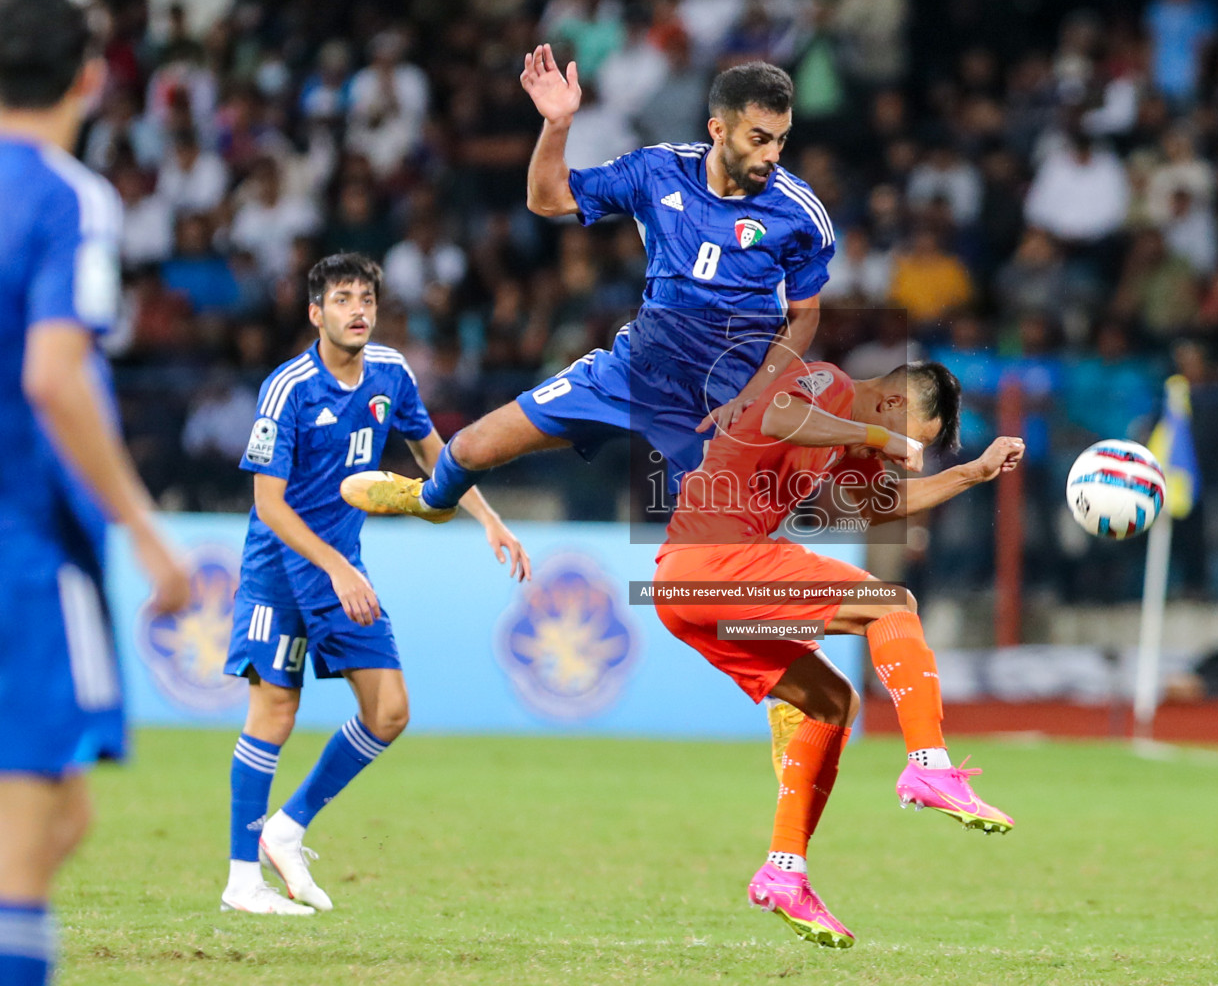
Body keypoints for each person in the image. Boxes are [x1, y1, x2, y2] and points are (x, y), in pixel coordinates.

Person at [343, 48, 831, 519]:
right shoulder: (659, 171)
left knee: (711, 563)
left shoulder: (799, 212)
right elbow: (549, 199)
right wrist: (557, 125)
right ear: (718, 130)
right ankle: (430, 503)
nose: (772, 155)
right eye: (759, 138)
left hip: (718, 399)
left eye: (781, 140)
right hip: (633, 370)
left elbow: (804, 316)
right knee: (469, 447)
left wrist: (752, 397)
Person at [653, 358, 1022, 947]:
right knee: (892, 602)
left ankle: (784, 873)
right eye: (910, 438)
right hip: (715, 560)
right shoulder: (829, 382)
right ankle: (930, 767)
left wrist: (973, 474)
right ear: (895, 403)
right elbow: (780, 413)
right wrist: (878, 437)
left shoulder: (843, 440)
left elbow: (878, 506)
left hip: (688, 590)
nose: (901, 453)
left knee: (832, 704)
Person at [220, 254, 529, 915]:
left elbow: (432, 455)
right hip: (282, 566)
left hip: (340, 566)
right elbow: (269, 505)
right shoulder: (288, 388)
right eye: (341, 298)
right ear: (315, 313)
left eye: (366, 298)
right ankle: (242, 880)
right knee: (273, 711)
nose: (357, 309)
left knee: (389, 711)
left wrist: (488, 519)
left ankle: (288, 827)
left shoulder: (390, 372)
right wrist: (335, 565)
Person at [0, 0, 191, 983]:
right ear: (89, 75)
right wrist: (143, 527)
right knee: (30, 842)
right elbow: (53, 375)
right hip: (25, 549)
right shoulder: (72, 199)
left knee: (59, 812)